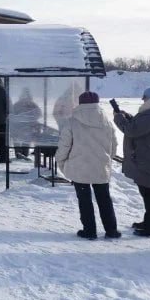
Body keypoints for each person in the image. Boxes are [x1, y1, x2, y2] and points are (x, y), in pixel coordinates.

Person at [55, 91, 121, 240]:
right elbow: (114, 146)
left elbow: (65, 145)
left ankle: (89, 231)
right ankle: (111, 230)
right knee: (104, 199)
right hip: (100, 167)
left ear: (80, 103)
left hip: (80, 167)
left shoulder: (72, 121)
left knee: (84, 200)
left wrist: (61, 160)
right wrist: (106, 159)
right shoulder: (107, 122)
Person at [113, 85, 150, 237]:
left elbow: (132, 130)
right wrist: (129, 118)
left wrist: (118, 118)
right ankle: (149, 221)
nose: (142, 101)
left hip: (148, 163)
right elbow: (140, 127)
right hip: (148, 160)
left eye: (144, 98)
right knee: (149, 194)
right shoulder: (149, 115)